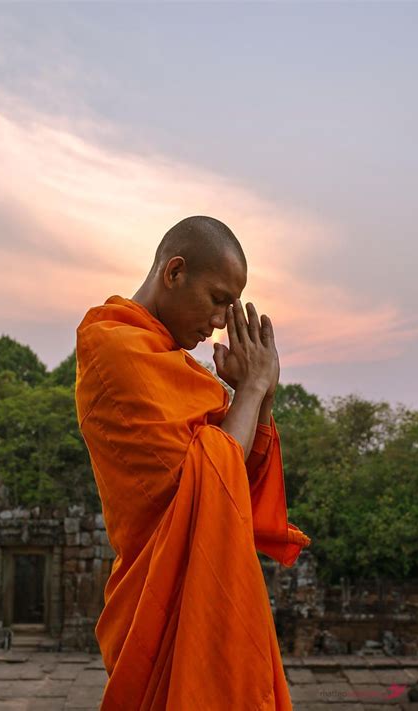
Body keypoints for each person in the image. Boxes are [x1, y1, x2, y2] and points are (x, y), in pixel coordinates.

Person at [75, 215, 311, 710]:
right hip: (156, 589)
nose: (222, 321)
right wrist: (247, 390)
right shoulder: (114, 349)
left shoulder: (175, 367)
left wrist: (260, 399)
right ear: (175, 272)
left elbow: (232, 488)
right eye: (218, 299)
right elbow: (207, 478)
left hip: (205, 584)